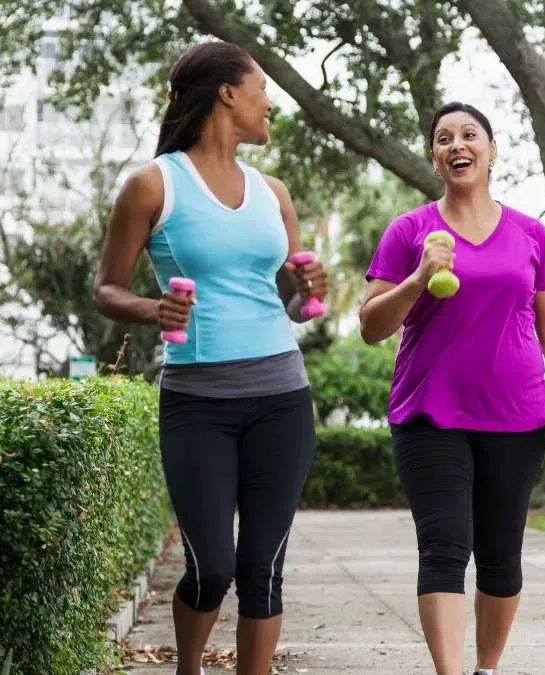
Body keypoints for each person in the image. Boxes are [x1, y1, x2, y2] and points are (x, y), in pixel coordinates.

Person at [92, 40, 328, 675]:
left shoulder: (273, 191)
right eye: (261, 89)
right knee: (213, 567)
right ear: (228, 93)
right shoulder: (152, 185)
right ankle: (189, 669)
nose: (269, 102)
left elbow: (295, 304)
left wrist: (310, 296)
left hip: (281, 396)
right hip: (198, 404)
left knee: (262, 567)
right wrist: (152, 309)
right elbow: (107, 288)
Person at [358, 101, 545, 675]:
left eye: (469, 135)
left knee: (501, 557)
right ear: (435, 158)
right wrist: (417, 277)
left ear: (491, 149)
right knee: (442, 546)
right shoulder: (410, 231)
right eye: (443, 138)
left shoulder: (532, 234)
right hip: (429, 414)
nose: (457, 145)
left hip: (518, 417)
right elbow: (370, 326)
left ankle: (487, 668)